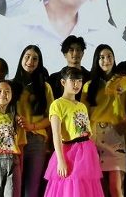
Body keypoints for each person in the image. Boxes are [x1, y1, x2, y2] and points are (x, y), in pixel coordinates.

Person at [82, 45, 126, 197]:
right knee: (98, 188)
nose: (106, 60)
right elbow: (83, 115)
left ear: (114, 58)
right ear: (96, 60)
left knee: (116, 187)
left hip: (116, 137)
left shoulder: (125, 82)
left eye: (109, 56)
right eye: (102, 57)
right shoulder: (88, 85)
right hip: (94, 137)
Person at [44, 66, 103, 196]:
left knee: (86, 186)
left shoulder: (82, 106)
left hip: (86, 151)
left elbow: (87, 131)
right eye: (73, 80)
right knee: (70, 185)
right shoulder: (57, 104)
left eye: (79, 81)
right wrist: (61, 160)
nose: (77, 84)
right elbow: (56, 134)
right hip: (70, 151)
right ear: (63, 82)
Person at [12, 45, 55, 197]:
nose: (30, 61)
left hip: (37, 140)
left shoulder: (45, 87)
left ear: (39, 62)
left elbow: (52, 117)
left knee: (32, 187)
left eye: (35, 59)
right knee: (14, 187)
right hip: (15, 141)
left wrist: (32, 126)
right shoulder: (11, 85)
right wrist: (14, 117)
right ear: (21, 59)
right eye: (27, 57)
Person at [47, 35, 91, 99]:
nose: (75, 53)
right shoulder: (54, 79)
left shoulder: (91, 77)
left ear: (83, 53)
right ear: (64, 54)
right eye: (71, 50)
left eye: (78, 50)